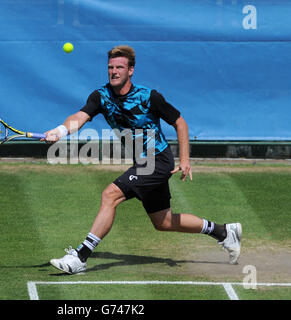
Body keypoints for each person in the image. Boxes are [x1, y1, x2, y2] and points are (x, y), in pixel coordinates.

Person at [46, 45, 241, 274]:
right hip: (143, 162)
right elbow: (80, 117)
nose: (114, 72)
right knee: (163, 222)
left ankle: (80, 257)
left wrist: (185, 159)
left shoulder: (149, 97)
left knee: (110, 195)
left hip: (157, 160)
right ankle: (223, 232)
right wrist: (60, 131)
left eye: (119, 67)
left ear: (131, 70)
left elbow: (180, 122)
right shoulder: (100, 96)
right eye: (110, 67)